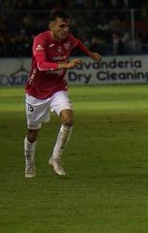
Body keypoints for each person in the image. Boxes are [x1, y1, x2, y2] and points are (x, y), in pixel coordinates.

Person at [24, 10, 102, 178]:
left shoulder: (68, 39)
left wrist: (90, 54)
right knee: (33, 134)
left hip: (57, 88)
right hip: (36, 92)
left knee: (68, 119)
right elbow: (42, 65)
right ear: (51, 26)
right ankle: (29, 162)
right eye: (61, 26)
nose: (65, 29)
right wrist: (65, 65)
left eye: (67, 26)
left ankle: (56, 158)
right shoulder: (41, 40)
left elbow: (78, 42)